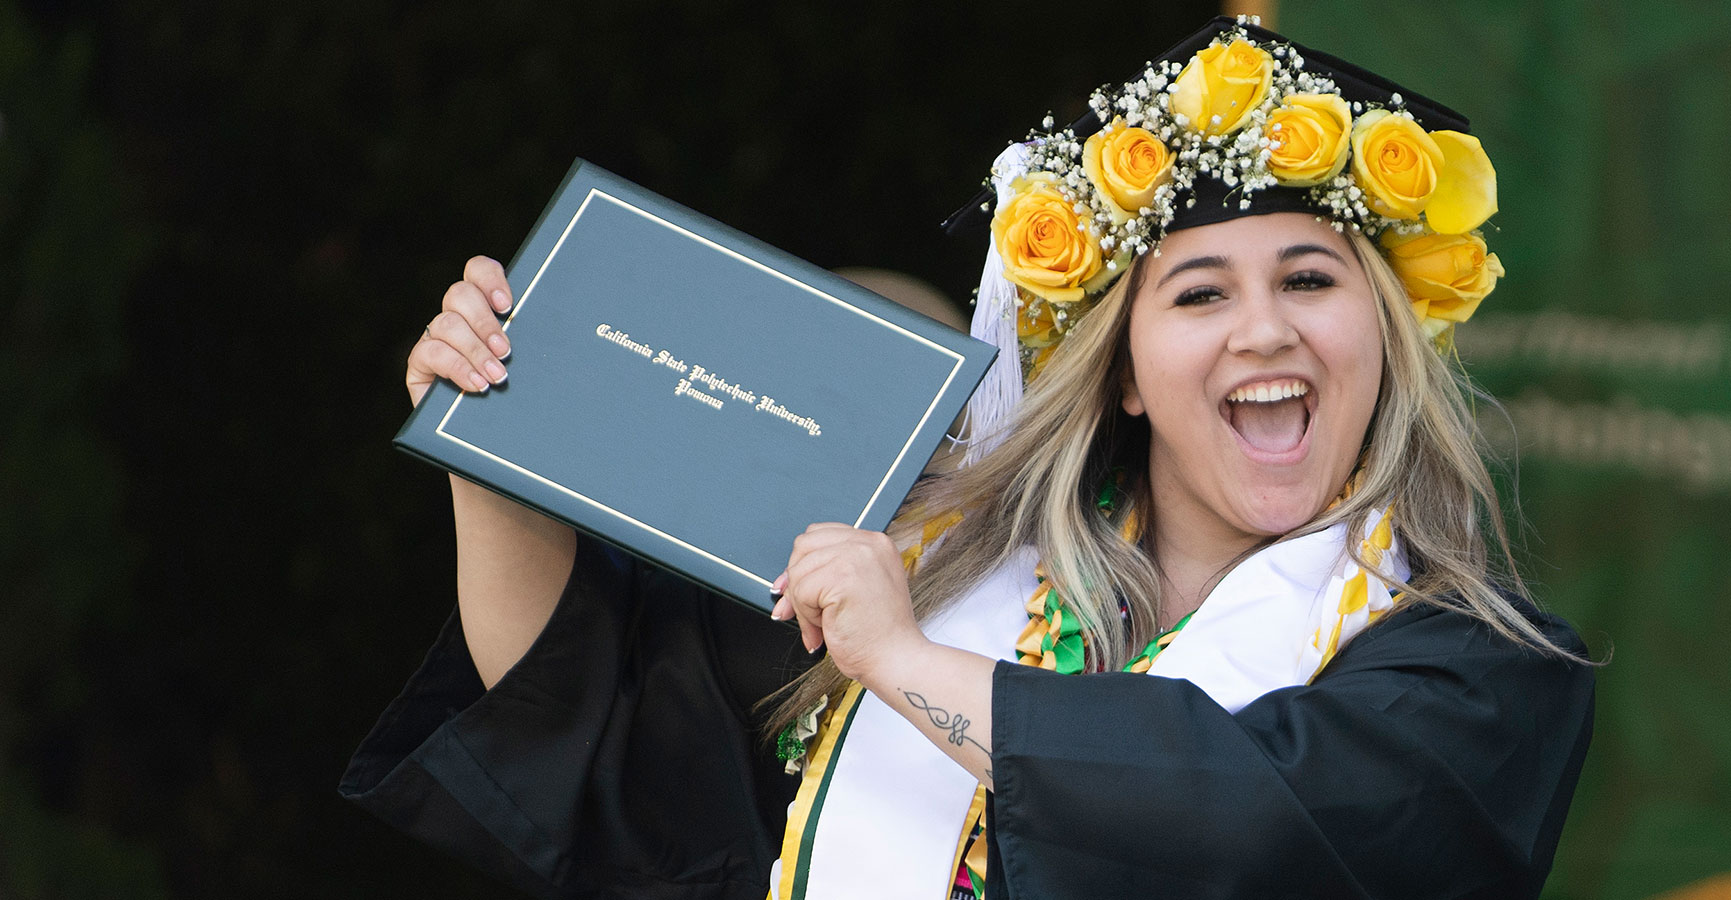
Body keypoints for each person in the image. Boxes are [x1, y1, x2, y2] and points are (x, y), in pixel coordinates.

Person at [342, 16, 1595, 900]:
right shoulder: (942, 572)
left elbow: (1254, 822)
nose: (1264, 327)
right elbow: (603, 734)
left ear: (1382, 336)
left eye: (1310, 279)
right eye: (1199, 294)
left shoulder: (1475, 669)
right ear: (1123, 371)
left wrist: (903, 665)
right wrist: (492, 431)